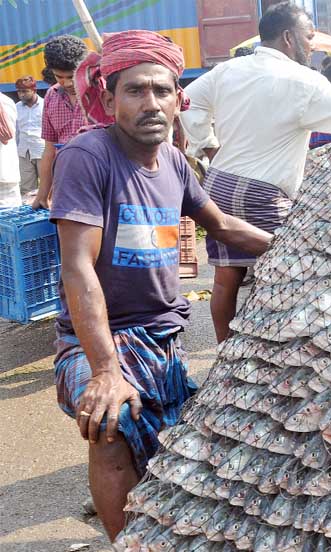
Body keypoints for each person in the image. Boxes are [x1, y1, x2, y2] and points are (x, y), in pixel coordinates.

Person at [51, 29, 272, 542]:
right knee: (107, 424)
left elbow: (223, 226)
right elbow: (77, 269)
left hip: (161, 337)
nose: (151, 103)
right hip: (98, 338)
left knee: (183, 445)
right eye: (134, 90)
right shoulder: (89, 156)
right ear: (108, 100)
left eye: (162, 90)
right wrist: (105, 370)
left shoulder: (174, 162)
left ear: (179, 99)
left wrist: (301, 240)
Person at [181, 2, 331, 343]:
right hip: (263, 194)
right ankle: (272, 356)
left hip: (219, 184)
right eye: (309, 36)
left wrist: (206, 144)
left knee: (225, 279)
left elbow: (185, 100)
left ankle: (225, 358)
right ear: (289, 37)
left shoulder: (230, 69)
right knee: (287, 277)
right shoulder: (303, 80)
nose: (312, 45)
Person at [32, 35, 90, 209]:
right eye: (59, 77)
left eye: (72, 76)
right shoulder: (51, 95)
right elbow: (49, 150)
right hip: (65, 184)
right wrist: (43, 194)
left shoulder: (102, 94)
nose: (67, 82)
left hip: (99, 181)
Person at [14, 76, 45, 195]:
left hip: (42, 150)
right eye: (19, 91)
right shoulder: (16, 107)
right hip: (23, 152)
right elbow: (16, 131)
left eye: (25, 91)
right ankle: (29, 212)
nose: (21, 94)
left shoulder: (45, 105)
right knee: (26, 188)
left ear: (34, 90)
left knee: (47, 185)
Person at [0, 92, 21, 207]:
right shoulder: (6, 101)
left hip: (4, 177)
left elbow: (7, 134)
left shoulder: (4, 102)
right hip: (6, 173)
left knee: (8, 218)